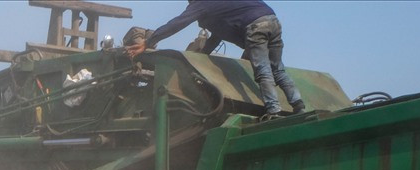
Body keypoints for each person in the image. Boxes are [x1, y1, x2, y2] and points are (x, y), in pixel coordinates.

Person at [126, 0, 304, 119]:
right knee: (277, 69)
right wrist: (201, 57)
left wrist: (149, 42)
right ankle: (298, 104)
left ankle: (273, 110)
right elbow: (217, 35)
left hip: (255, 25)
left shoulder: (202, 3)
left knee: (262, 70)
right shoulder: (222, 5)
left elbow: (178, 23)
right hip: (272, 19)